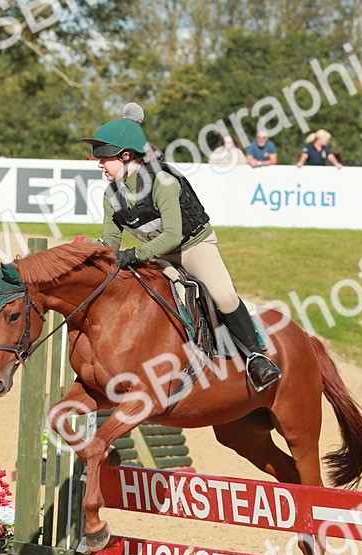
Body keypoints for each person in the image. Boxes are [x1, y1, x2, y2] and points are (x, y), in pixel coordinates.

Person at [82, 103, 282, 391]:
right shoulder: (111, 194)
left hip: (192, 246)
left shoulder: (162, 181)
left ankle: (257, 358)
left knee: (224, 297)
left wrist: (134, 254)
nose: (99, 163)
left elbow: (174, 235)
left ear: (125, 156)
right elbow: (110, 242)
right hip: (157, 255)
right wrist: (89, 252)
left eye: (103, 158)